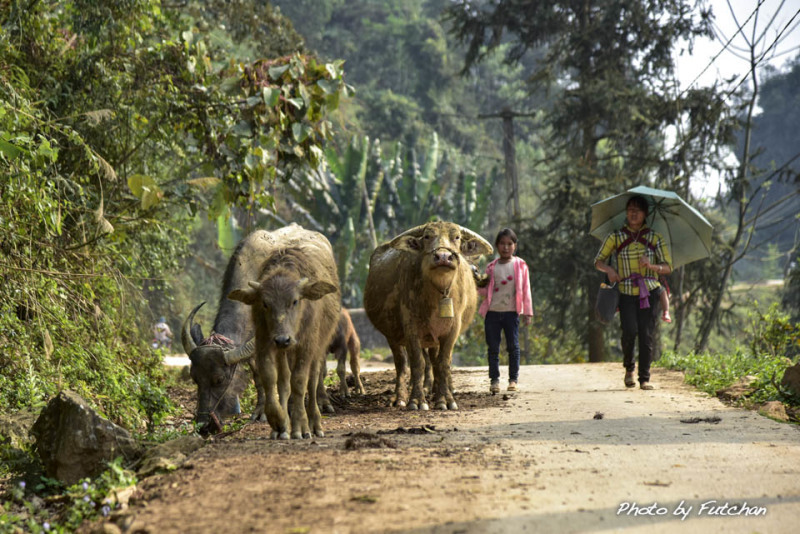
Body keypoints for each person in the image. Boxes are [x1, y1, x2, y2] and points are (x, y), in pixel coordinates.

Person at [594, 195, 672, 390]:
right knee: (629, 330)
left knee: (646, 334)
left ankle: (644, 378)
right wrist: (610, 271)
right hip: (626, 292)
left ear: (645, 214)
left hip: (650, 292)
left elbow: (668, 267)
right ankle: (629, 368)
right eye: (630, 209)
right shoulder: (616, 237)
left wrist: (651, 265)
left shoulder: (655, 238)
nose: (633, 213)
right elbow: (598, 261)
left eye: (637, 210)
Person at [478, 228, 534, 394]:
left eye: (509, 244)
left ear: (515, 246)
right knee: (493, 348)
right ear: (497, 246)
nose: (506, 247)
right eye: (502, 244)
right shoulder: (491, 267)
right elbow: (483, 290)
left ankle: (513, 380)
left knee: (513, 347)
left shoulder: (520, 265)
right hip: (492, 313)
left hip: (511, 313)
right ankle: (494, 381)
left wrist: (528, 312)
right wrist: (475, 280)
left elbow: (526, 289)